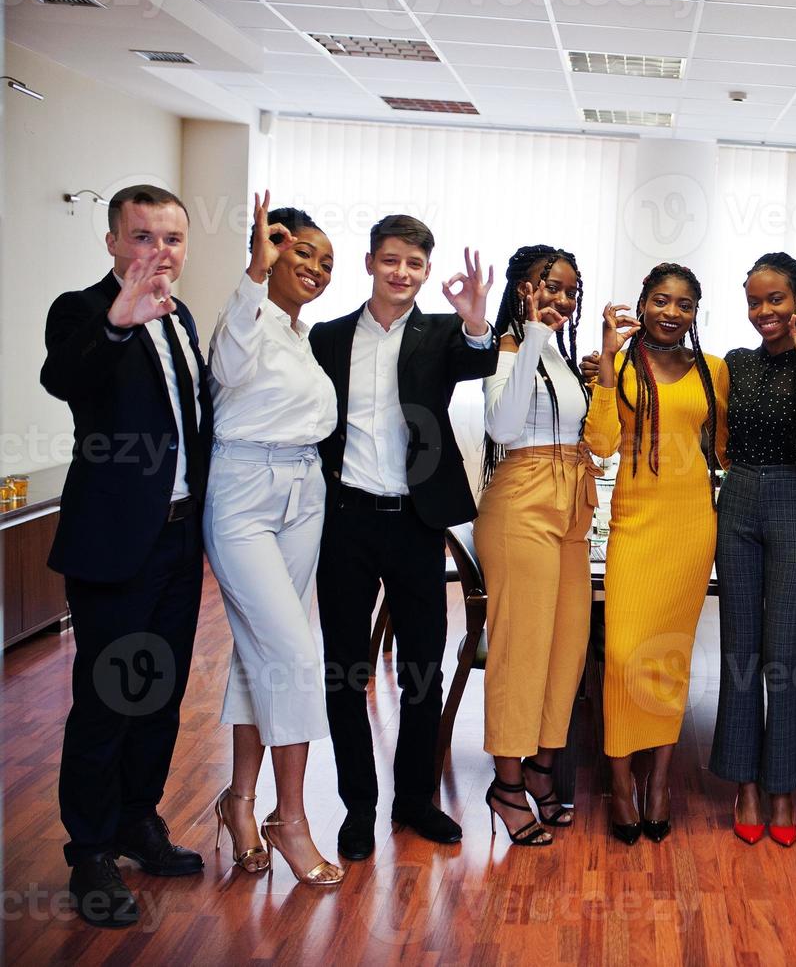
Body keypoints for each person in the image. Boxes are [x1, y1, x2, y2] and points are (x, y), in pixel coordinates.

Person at [40, 185, 212, 927]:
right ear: (113, 242)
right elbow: (64, 380)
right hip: (115, 543)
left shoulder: (182, 316)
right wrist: (114, 325)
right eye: (143, 238)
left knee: (159, 695)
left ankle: (140, 820)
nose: (159, 253)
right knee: (109, 698)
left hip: (178, 537)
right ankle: (90, 852)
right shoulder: (81, 310)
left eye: (171, 239)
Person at [309, 215, 497, 861]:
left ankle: (414, 799)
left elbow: (480, 360)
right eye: (390, 261)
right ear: (370, 263)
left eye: (413, 264)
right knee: (345, 670)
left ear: (424, 270)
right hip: (344, 521)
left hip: (416, 521)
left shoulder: (443, 333)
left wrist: (474, 320)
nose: (401, 273)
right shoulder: (328, 338)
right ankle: (357, 807)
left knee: (422, 670)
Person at [202, 194, 343, 886]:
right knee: (291, 652)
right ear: (272, 249)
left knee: (258, 652)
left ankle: (240, 802)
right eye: (304, 252)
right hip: (244, 492)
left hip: (302, 491)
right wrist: (253, 274)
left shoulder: (299, 334)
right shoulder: (249, 316)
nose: (317, 267)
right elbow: (226, 368)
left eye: (327, 261)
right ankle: (290, 820)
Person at [585, 263, 728, 845]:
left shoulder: (714, 370)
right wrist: (604, 362)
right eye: (662, 301)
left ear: (696, 313)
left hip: (692, 526)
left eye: (686, 304)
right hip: (635, 524)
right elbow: (600, 442)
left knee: (669, 659)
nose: (673, 312)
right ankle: (620, 785)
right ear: (642, 304)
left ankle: (660, 784)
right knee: (621, 657)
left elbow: (721, 448)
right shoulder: (617, 364)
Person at [711, 252, 796, 848]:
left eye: (776, 300)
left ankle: (784, 786)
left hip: (793, 502)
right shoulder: (737, 364)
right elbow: (722, 440)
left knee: (783, 654)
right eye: (755, 301)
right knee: (739, 646)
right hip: (737, 501)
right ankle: (743, 784)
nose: (763, 312)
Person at [475, 245, 594, 846]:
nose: (560, 300)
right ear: (522, 289)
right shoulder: (510, 351)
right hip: (522, 501)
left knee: (568, 647)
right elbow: (501, 425)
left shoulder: (564, 358)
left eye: (570, 291)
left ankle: (544, 767)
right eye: (548, 287)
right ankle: (506, 783)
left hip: (572, 496)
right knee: (521, 650)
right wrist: (532, 340)